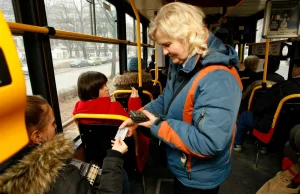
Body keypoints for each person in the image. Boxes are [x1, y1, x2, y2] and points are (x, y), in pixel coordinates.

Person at [120, 2, 242, 193]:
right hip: (184, 165)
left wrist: (157, 125)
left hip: (199, 176)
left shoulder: (219, 79)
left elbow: (210, 143)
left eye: (167, 45)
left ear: (188, 36)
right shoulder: (182, 64)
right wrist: (137, 117)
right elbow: (166, 101)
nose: (165, 52)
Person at [0, 95, 129, 194]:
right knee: (122, 174)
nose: (56, 127)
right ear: (37, 137)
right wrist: (115, 155)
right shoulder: (60, 177)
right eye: (53, 123)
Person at [234, 58, 300, 152]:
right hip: (292, 127)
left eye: (293, 68)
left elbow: (261, 105)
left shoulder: (283, 86)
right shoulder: (281, 79)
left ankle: (237, 144)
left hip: (272, 125)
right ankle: (263, 145)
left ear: (298, 70)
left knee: (246, 115)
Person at [73, 71, 142, 125]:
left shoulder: (78, 111)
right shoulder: (114, 107)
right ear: (91, 91)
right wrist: (134, 102)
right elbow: (135, 123)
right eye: (101, 87)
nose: (107, 88)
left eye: (105, 84)